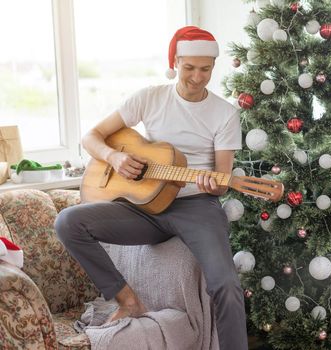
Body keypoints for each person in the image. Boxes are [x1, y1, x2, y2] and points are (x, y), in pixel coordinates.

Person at [55, 26, 248, 350]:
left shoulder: (225, 114)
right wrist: (114, 157)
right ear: (174, 62)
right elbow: (91, 136)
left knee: (226, 285)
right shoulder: (149, 97)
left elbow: (222, 182)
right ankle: (128, 300)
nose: (197, 77)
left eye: (206, 69)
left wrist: (209, 184)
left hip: (196, 206)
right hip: (143, 206)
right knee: (68, 222)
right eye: (189, 68)